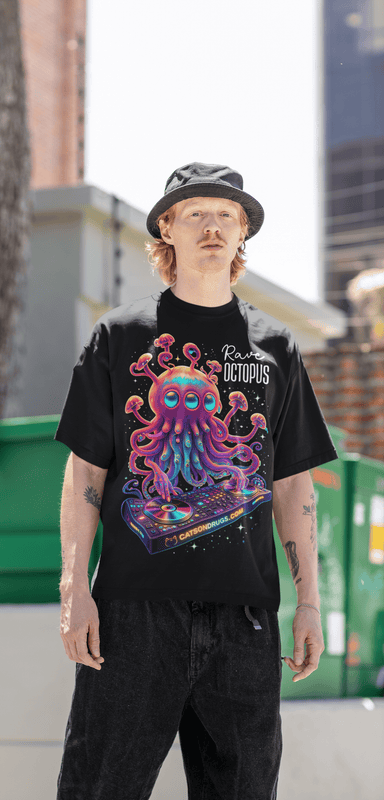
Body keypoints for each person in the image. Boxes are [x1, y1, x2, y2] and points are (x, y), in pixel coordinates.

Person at [54, 162, 338, 800]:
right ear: (167, 229)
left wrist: (309, 604)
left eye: (227, 216)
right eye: (196, 213)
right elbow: (85, 470)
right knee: (100, 788)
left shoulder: (276, 347)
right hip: (133, 615)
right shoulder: (120, 335)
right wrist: (74, 587)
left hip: (245, 621)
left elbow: (295, 487)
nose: (213, 226)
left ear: (242, 234)